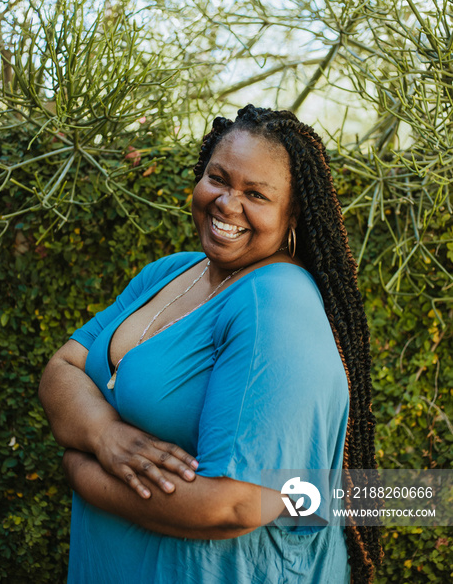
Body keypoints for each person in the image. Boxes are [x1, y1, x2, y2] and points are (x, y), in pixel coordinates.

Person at [39, 104, 383, 584]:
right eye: (218, 178)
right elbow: (63, 366)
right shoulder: (171, 271)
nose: (227, 202)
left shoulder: (275, 300)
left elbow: (233, 504)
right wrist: (102, 435)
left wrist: (83, 471)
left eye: (256, 194)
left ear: (293, 211)